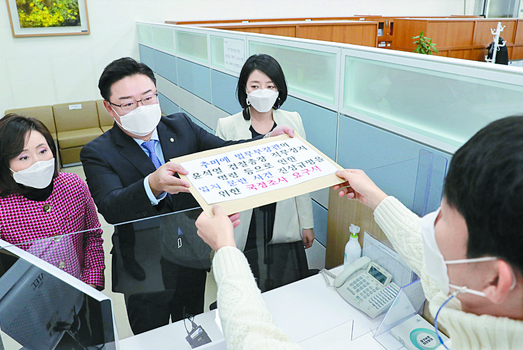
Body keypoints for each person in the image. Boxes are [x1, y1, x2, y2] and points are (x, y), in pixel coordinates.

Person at [196, 116, 523, 349]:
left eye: (443, 219)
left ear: (497, 281)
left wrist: (226, 251)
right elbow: (444, 266)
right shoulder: (494, 299)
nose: (429, 226)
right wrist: (378, 200)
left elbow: (254, 340)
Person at [80, 57, 293, 334]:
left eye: (148, 98)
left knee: (193, 330)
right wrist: (152, 184)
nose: (141, 108)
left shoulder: (179, 126)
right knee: (152, 336)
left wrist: (266, 140)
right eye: (129, 103)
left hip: (189, 254)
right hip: (143, 267)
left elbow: (225, 152)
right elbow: (111, 207)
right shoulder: (98, 152)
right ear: (110, 108)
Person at [0, 114, 105, 290]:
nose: (38, 162)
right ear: (3, 164)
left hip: (82, 289)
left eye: (43, 151)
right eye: (23, 157)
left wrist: (92, 283)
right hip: (31, 304)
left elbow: (92, 236)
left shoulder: (74, 185)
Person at [216, 54, 314, 290]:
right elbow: (220, 183)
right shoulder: (227, 126)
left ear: (279, 90)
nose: (263, 92)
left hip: (282, 218)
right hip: (245, 220)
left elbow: (302, 176)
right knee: (248, 285)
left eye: (270, 86)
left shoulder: (293, 120)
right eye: (255, 86)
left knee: (284, 285)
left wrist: (307, 223)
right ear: (245, 90)